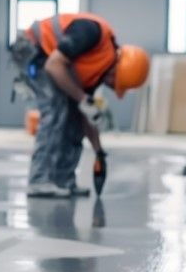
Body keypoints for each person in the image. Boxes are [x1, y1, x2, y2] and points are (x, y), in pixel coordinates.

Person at [20, 13, 149, 198]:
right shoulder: (92, 32)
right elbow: (53, 65)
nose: (112, 87)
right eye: (117, 84)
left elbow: (84, 113)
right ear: (118, 72)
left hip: (49, 59)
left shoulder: (96, 70)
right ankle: (39, 181)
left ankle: (63, 180)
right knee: (58, 109)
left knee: (73, 114)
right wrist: (82, 98)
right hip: (33, 50)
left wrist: (99, 151)